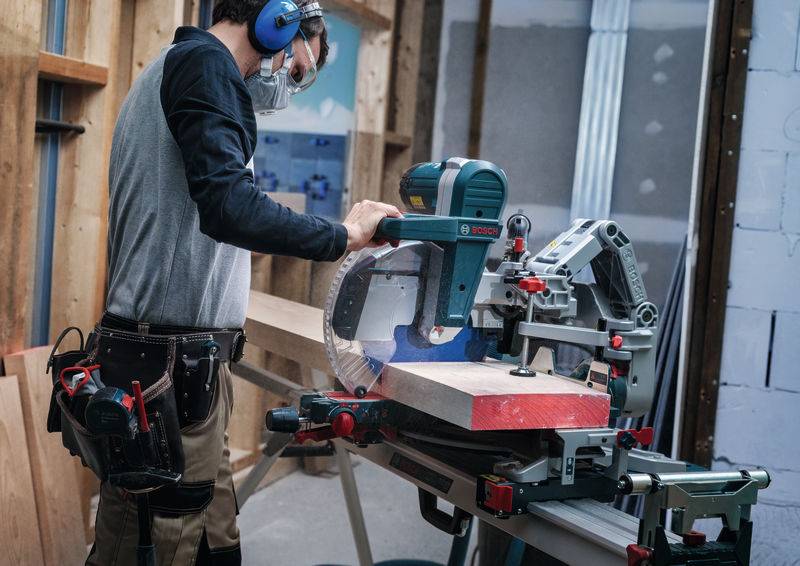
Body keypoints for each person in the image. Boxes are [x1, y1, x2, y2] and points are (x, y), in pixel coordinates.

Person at [87, 1, 400, 564]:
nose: (284, 85)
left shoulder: (185, 69)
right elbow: (230, 207)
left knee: (211, 542)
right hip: (167, 366)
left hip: (182, 364)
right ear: (275, 23)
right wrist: (344, 235)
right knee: (155, 544)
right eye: (297, 70)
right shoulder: (204, 67)